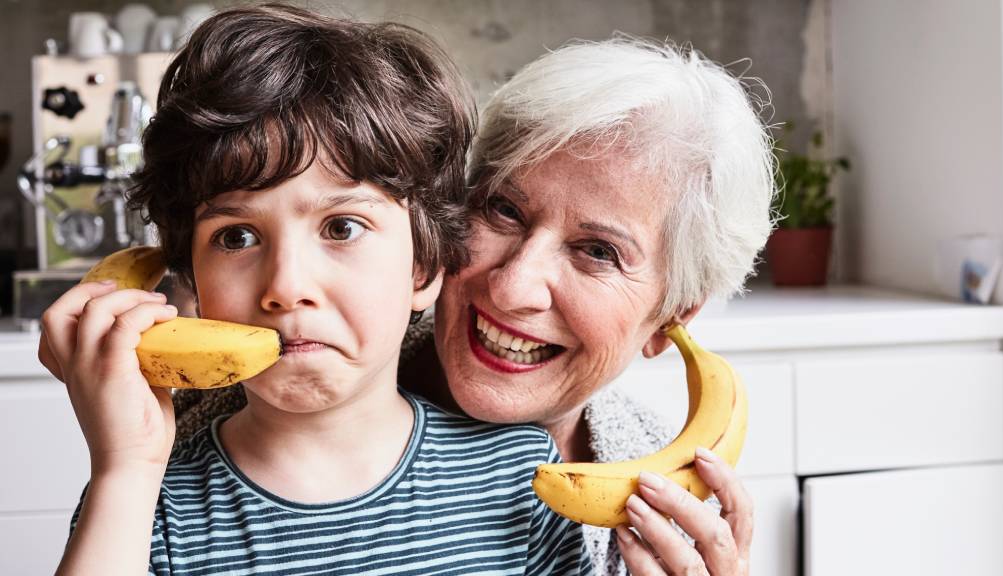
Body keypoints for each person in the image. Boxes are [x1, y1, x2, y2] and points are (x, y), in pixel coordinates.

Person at [170, 36, 776, 576]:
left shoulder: (666, 498)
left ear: (669, 320)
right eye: (503, 209)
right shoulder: (252, 396)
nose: (515, 287)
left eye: (597, 251)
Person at [40, 5, 592, 575]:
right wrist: (125, 468)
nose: (286, 286)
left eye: (342, 227)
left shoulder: (520, 481)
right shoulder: (145, 507)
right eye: (236, 237)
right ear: (195, 287)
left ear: (423, 268)